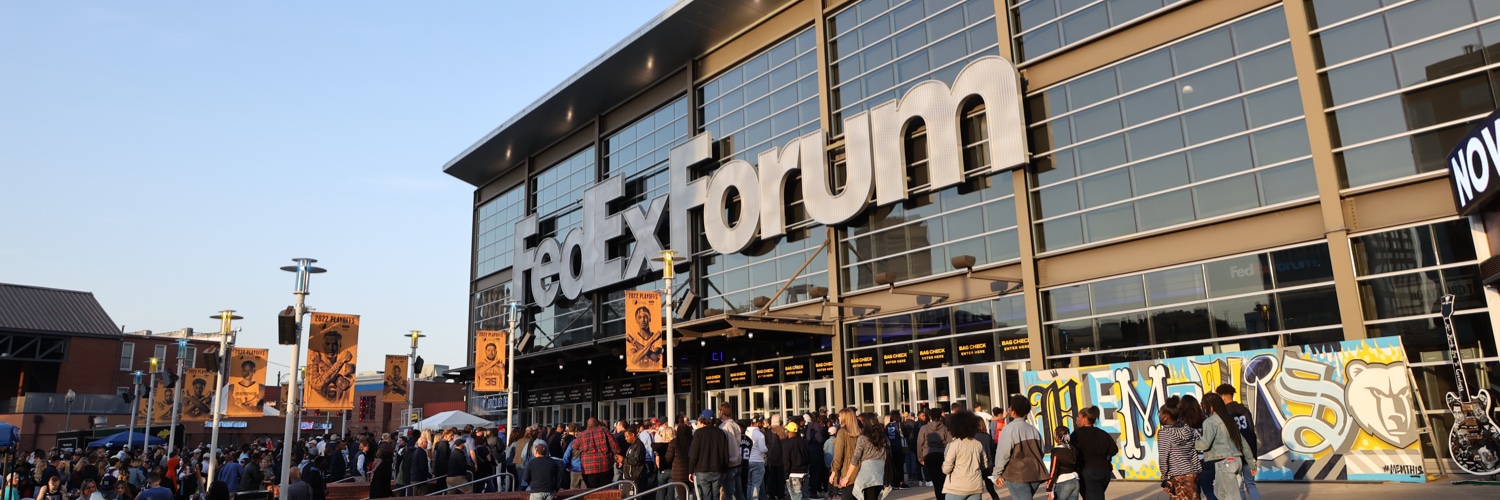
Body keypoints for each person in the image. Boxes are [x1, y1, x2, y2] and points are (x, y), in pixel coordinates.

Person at [1198, 397, 1255, 500]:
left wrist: (1190, 443)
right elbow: (1243, 443)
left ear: (1211, 406)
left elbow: (1204, 444)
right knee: (1221, 494)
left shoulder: (1210, 422)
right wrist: (1251, 463)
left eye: (1203, 404)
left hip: (1225, 463)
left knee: (1231, 497)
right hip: (1236, 461)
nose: (1202, 407)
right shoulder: (1229, 420)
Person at [992, 395, 1047, 500]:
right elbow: (1041, 451)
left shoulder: (1009, 429)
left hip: (1017, 475)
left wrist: (997, 473)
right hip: (1035, 474)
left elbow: (1003, 453)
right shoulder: (1033, 430)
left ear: (1013, 411)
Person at [1214, 385, 1259, 500]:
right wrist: (1253, 455)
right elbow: (1251, 432)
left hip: (1234, 454)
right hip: (1248, 452)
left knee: (1238, 487)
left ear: (1223, 397)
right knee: (1251, 485)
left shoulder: (1224, 414)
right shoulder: (1245, 411)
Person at [1070, 407, 1117, 500]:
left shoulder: (1077, 434)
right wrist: (1105, 457)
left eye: (1078, 417)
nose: (1076, 419)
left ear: (1085, 418)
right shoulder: (1102, 433)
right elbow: (1114, 449)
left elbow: (1071, 452)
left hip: (1088, 472)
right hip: (1104, 471)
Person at [939, 411, 988, 500]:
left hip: (956, 487)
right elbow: (985, 464)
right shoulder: (978, 444)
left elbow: (946, 469)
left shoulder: (954, 445)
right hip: (975, 486)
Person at [1159, 403, 1201, 500]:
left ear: (1165, 416)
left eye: (1160, 414)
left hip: (1178, 476)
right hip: (1192, 473)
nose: (1159, 416)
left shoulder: (1165, 433)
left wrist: (1164, 477)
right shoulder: (1188, 429)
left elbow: (1163, 457)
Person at [690, 415, 729, 500]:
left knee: (705, 495)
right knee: (716, 495)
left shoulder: (699, 433)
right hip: (717, 468)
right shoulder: (721, 433)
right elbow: (725, 453)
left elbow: (694, 453)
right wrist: (725, 469)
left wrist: (691, 470)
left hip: (702, 469)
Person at [576, 418, 622, 488]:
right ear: (597, 424)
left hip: (588, 468)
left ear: (587, 425)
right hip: (605, 466)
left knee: (591, 492)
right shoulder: (604, 431)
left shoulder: (581, 435)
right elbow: (615, 446)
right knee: (605, 490)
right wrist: (616, 453)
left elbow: (574, 446)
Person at [916, 408, 951, 500]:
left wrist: (920, 458)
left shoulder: (924, 428)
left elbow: (919, 443)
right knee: (942, 479)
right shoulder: (945, 428)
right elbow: (950, 443)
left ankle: (939, 497)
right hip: (942, 454)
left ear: (930, 417)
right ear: (940, 416)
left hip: (929, 454)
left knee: (935, 480)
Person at [720, 404, 745, 500]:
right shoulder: (736, 425)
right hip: (738, 461)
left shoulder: (724, 427)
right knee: (739, 492)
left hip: (729, 463)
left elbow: (723, 446)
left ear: (722, 412)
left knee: (729, 494)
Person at [1046, 426, 1079, 500]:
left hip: (1063, 482)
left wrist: (1049, 488)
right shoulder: (1073, 449)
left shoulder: (1056, 451)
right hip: (1075, 480)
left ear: (1057, 437)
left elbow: (1053, 471)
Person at [782, 423, 809, 500]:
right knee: (804, 497)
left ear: (789, 432)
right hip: (804, 472)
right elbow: (808, 457)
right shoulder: (804, 442)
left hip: (793, 474)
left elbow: (786, 460)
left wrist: (786, 475)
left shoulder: (787, 444)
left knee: (796, 497)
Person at [746, 416, 769, 500]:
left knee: (749, 483)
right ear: (756, 423)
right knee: (756, 484)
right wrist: (767, 449)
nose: (762, 424)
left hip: (748, 460)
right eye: (760, 423)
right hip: (758, 461)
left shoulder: (746, 432)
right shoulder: (760, 435)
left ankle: (749, 498)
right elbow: (763, 449)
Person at [883, 410, 907, 490]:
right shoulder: (900, 424)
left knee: (893, 465)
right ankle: (901, 481)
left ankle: (894, 482)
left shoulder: (887, 426)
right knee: (900, 465)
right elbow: (905, 434)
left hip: (891, 448)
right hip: (900, 447)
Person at [655, 424, 677, 500]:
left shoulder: (660, 446)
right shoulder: (675, 445)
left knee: (661, 491)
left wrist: (659, 467)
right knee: (671, 492)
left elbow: (657, 460)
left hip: (663, 470)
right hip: (673, 470)